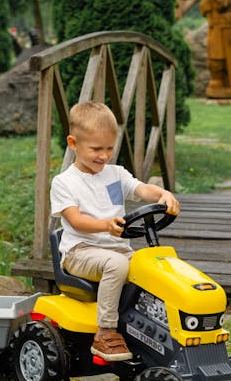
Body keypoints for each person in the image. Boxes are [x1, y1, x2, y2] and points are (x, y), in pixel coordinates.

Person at [50, 101, 180, 362]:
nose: (104, 155)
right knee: (117, 265)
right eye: (96, 149)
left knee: (155, 267)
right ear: (73, 143)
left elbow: (141, 189)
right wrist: (105, 225)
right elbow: (75, 221)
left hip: (116, 250)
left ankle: (164, 328)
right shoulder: (64, 182)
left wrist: (163, 194)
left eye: (110, 148)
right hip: (80, 252)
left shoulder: (115, 174)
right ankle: (106, 331)